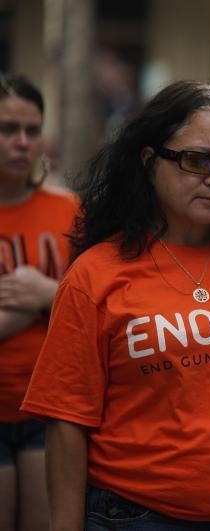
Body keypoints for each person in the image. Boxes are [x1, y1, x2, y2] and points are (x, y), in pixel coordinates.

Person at [20, 80, 210, 529]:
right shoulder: (96, 274)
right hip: (140, 516)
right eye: (197, 161)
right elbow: (67, 420)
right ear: (150, 161)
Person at [0, 73, 76, 531]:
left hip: (49, 409)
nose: (22, 142)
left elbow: (99, 307)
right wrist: (33, 307)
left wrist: (49, 293)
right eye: (7, 129)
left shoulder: (68, 211)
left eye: (32, 130)